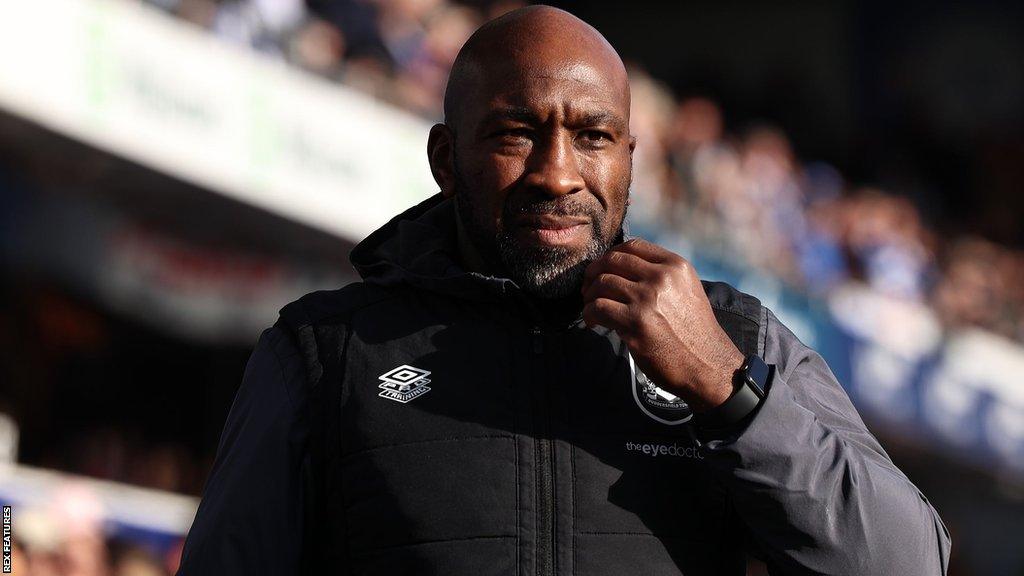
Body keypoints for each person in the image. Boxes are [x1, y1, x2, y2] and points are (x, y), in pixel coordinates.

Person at [177, 6, 951, 575]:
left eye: (593, 136)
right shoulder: (326, 351)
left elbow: (908, 565)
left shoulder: (734, 336)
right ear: (446, 159)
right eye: (516, 133)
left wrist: (728, 390)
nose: (557, 173)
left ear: (630, 159)